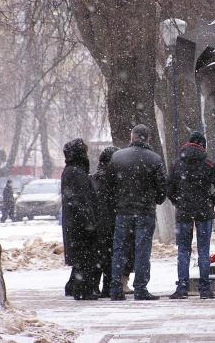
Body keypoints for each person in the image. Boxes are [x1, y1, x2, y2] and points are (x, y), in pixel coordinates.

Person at [108, 124, 167, 301]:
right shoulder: (154, 159)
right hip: (145, 211)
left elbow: (109, 186)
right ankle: (140, 288)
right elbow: (162, 188)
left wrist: (118, 201)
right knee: (142, 249)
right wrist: (155, 199)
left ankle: (116, 287)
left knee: (119, 249)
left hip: (123, 210)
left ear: (132, 136)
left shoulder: (117, 157)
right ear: (147, 138)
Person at [167, 132, 215, 300]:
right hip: (204, 212)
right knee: (203, 250)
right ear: (203, 146)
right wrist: (211, 201)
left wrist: (178, 202)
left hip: (184, 212)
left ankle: (182, 287)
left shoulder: (176, 165)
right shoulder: (209, 165)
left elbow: (168, 189)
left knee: (183, 250)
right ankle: (205, 288)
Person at [61, 138, 99, 300]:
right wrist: (90, 223)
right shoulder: (77, 172)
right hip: (80, 223)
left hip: (73, 222)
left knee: (81, 258)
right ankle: (82, 290)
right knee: (85, 257)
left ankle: (74, 286)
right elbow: (82, 201)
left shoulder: (71, 170)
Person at [90, 146, 119, 298]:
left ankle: (95, 286)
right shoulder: (114, 178)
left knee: (98, 256)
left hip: (97, 222)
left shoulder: (94, 178)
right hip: (111, 221)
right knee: (110, 256)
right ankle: (107, 286)